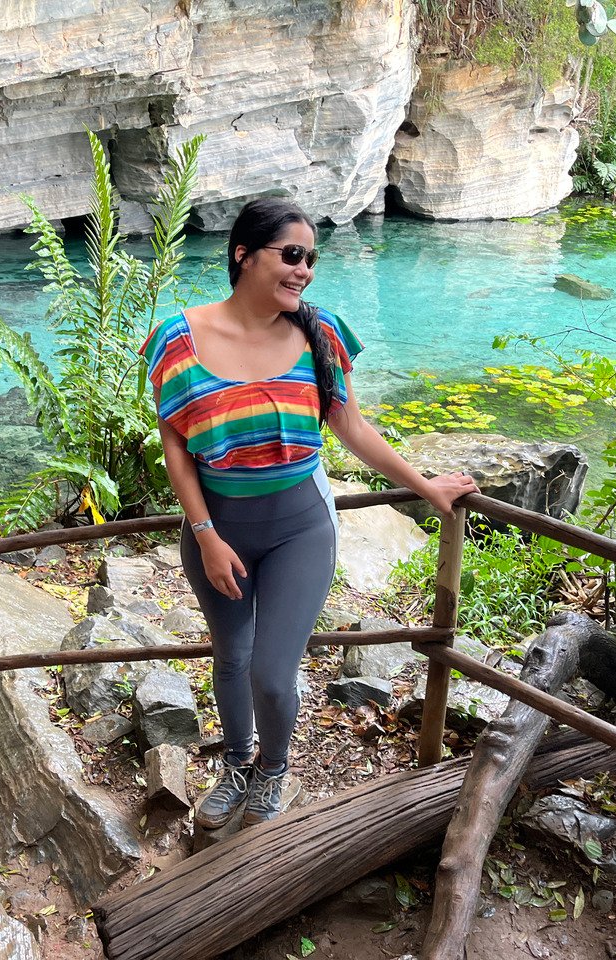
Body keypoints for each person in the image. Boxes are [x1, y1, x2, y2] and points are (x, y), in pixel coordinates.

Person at [139, 197, 479, 829]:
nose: (305, 271)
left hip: (299, 525)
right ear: (243, 254)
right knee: (231, 656)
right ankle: (238, 763)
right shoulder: (178, 339)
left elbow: (350, 425)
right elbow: (176, 445)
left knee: (272, 671)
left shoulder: (317, 334)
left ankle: (273, 768)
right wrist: (207, 535)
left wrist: (424, 487)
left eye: (311, 259)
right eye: (291, 255)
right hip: (217, 530)